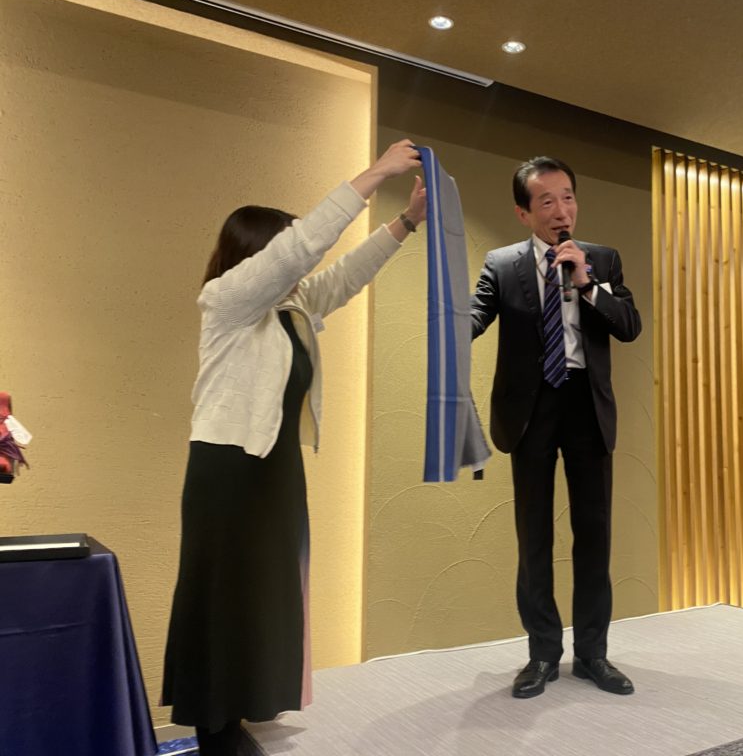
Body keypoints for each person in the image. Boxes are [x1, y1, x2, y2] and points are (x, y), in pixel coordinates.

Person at [162, 140, 425, 755]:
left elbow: (347, 274)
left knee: (264, 598)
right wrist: (376, 174)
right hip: (228, 471)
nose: (297, 265)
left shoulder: (292, 304)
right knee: (223, 598)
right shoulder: (226, 300)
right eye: (282, 249)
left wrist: (407, 221)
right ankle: (213, 729)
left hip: (274, 469)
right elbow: (304, 246)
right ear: (258, 252)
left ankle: (239, 714)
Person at [470, 156, 642, 699]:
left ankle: (592, 654)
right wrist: (443, 320)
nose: (561, 210)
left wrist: (588, 283)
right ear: (524, 213)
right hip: (531, 409)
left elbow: (629, 326)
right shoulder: (502, 264)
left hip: (587, 406)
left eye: (567, 197)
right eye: (546, 200)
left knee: (594, 534)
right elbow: (471, 319)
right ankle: (542, 654)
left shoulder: (602, 259)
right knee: (534, 537)